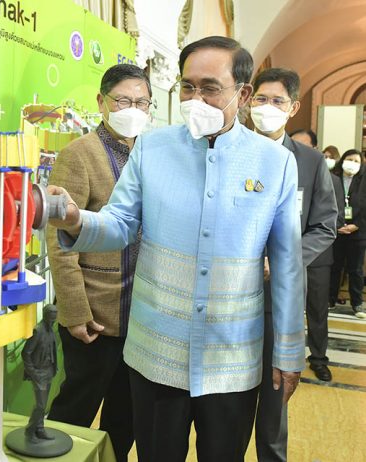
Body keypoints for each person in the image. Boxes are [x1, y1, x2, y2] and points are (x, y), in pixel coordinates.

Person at [48, 36, 305, 462]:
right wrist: (78, 221)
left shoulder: (274, 163)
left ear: (242, 94)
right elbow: (121, 223)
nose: (195, 99)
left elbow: (287, 264)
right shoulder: (153, 148)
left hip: (231, 359)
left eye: (210, 88)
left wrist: (289, 350)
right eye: (187, 86)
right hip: (156, 353)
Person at [47, 63, 152, 461]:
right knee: (76, 407)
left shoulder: (150, 153)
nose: (133, 109)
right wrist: (75, 311)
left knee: (126, 415)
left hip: (141, 315)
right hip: (95, 314)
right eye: (123, 100)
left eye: (142, 102)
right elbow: (60, 239)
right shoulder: (79, 154)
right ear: (101, 102)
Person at [249, 68, 338, 461]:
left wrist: (285, 260)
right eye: (260, 99)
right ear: (247, 100)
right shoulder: (230, 150)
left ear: (293, 107)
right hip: (228, 295)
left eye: (277, 101)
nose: (267, 107)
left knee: (273, 402)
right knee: (227, 404)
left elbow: (325, 225)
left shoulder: (310, 162)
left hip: (278, 298)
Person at [329, 149, 366, 319]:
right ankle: (330, 300)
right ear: (343, 160)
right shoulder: (333, 178)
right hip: (336, 230)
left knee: (355, 269)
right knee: (334, 267)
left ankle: (357, 304)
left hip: (357, 232)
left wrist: (356, 225)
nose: (352, 163)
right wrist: (337, 225)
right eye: (349, 159)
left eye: (356, 161)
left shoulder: (363, 180)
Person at [22, 304, 58, 443]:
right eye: (51, 318)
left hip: (49, 371)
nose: (53, 321)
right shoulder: (37, 331)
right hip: (39, 373)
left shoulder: (51, 330)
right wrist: (33, 372)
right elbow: (26, 352)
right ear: (45, 315)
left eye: (54, 318)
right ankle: (30, 430)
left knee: (43, 404)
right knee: (40, 405)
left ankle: (40, 429)